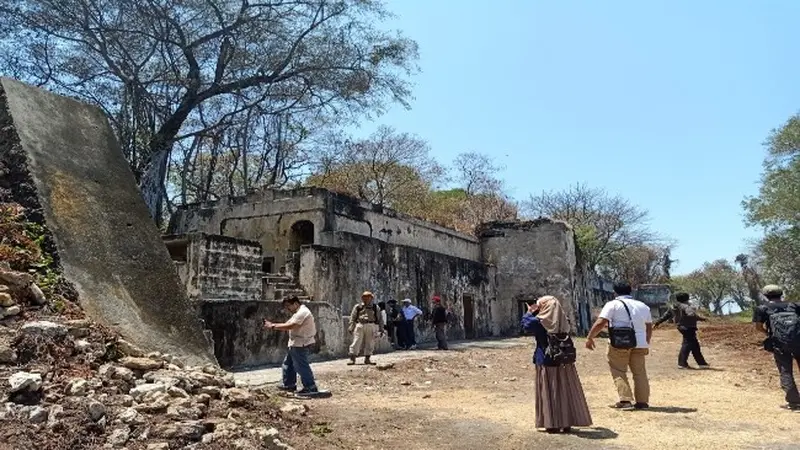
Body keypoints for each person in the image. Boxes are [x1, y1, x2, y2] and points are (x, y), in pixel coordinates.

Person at [521, 295, 592, 433]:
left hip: (546, 359)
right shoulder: (563, 320)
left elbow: (525, 324)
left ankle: (552, 422)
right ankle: (566, 422)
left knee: (550, 390)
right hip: (564, 359)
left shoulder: (540, 322)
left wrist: (530, 311)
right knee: (565, 390)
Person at [586, 282, 653, 410]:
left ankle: (625, 400)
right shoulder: (643, 306)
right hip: (640, 343)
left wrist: (590, 337)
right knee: (640, 373)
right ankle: (642, 402)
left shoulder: (613, 305)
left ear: (615, 292)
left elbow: (601, 322)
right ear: (630, 291)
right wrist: (646, 341)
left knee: (618, 370)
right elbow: (649, 326)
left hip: (620, 342)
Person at [752, 284, 800, 411]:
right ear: (781, 294)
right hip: (799, 340)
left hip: (780, 343)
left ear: (765, 295)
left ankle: (794, 402)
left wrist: (768, 333)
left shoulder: (762, 308)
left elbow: (758, 327)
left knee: (786, 370)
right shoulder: (795, 305)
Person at [263, 296, 320, 396]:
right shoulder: (297, 313)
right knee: (288, 364)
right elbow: (287, 323)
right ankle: (289, 384)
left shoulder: (302, 312)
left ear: (295, 304)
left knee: (301, 366)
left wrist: (272, 326)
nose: (287, 309)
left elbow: (291, 326)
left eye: (288, 306)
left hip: (301, 343)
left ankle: (310, 387)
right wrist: (273, 324)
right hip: (295, 343)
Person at [654, 292, 710, 369]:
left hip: (681, 327)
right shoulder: (686, 306)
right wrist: (700, 318)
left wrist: (657, 323)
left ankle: (702, 363)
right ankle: (682, 363)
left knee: (694, 345)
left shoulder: (673, 307)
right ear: (687, 299)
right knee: (687, 345)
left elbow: (665, 316)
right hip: (689, 327)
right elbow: (691, 314)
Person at [347, 291, 384, 365]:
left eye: (368, 297)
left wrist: (381, 329)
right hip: (360, 324)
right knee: (356, 341)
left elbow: (380, 319)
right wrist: (351, 326)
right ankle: (352, 358)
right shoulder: (358, 306)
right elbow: (353, 317)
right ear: (362, 298)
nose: (366, 299)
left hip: (371, 325)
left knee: (370, 342)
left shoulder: (375, 307)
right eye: (365, 297)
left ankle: (367, 359)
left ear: (371, 298)